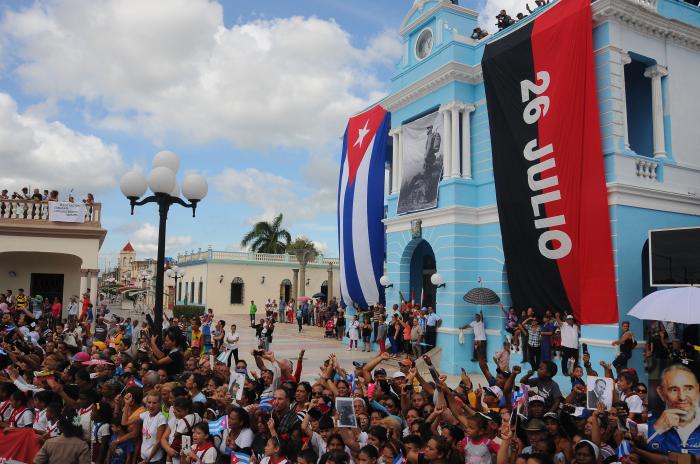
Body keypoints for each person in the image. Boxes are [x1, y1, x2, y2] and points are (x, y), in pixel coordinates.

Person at [647, 364, 700, 455]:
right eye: (674, 390)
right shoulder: (649, 422)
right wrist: (656, 430)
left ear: (698, 390)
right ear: (661, 393)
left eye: (689, 389)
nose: (682, 397)